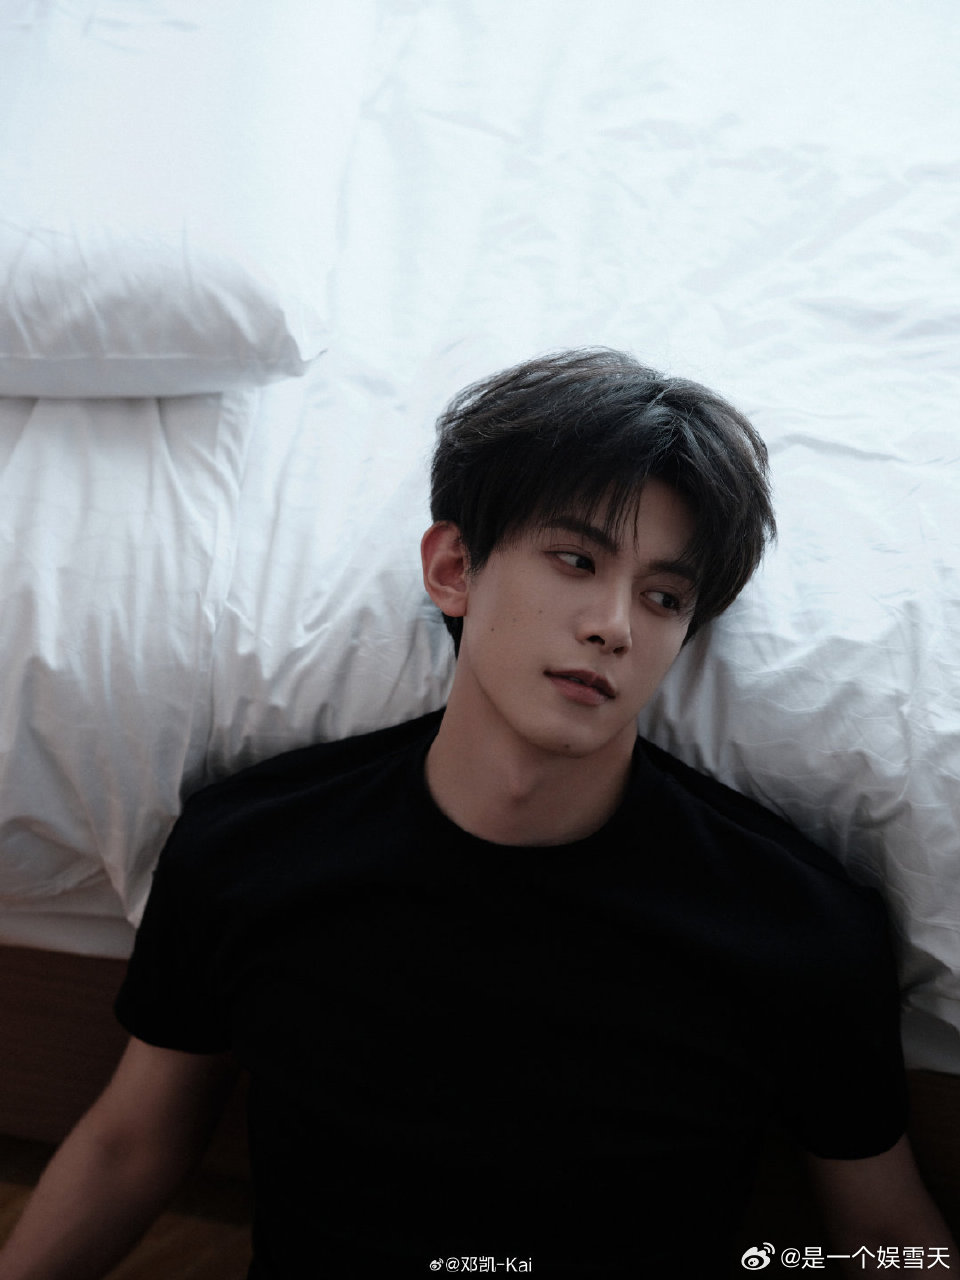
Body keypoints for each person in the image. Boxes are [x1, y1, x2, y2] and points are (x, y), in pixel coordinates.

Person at [0, 348, 952, 1278]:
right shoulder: (249, 851)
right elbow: (130, 1146)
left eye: (663, 597)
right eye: (576, 559)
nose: (614, 624)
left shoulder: (794, 927)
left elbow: (882, 1232)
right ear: (455, 567)